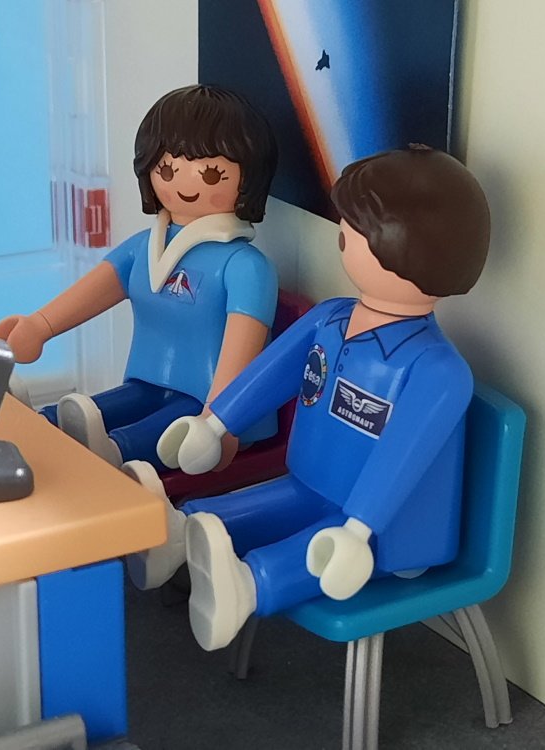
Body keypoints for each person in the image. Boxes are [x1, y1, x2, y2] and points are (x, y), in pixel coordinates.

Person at [125, 145, 491, 651]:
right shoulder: (332, 318)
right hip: (310, 483)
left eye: (356, 229)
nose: (343, 234)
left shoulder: (437, 371)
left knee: (311, 550)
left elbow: (400, 460)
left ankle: (250, 586)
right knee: (224, 515)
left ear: (407, 247)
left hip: (387, 528)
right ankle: (177, 533)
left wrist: (360, 528)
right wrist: (216, 423)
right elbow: (270, 373)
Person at [0, 85, 279, 470]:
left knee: (135, 438)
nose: (184, 184)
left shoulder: (245, 267)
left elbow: (242, 354)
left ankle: (110, 456)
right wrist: (38, 326)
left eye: (211, 173)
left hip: (205, 406)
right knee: (85, 412)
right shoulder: (144, 247)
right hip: (146, 384)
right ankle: (44, 424)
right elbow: (93, 291)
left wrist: (221, 419)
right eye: (167, 170)